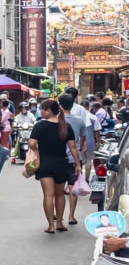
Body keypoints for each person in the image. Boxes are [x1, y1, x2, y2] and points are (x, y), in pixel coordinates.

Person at [29, 98, 82, 234]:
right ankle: (59, 223)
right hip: (61, 164)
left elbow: (32, 144)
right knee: (59, 195)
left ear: (48, 111)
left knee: (48, 195)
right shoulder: (65, 126)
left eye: (42, 109)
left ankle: (50, 226)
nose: (40, 111)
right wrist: (77, 164)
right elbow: (73, 147)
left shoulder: (39, 126)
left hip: (45, 164)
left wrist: (37, 148)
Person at [58, 94, 87, 227]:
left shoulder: (56, 120)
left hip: (58, 158)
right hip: (74, 158)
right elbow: (82, 140)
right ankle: (71, 215)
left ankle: (57, 215)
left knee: (57, 189)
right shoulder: (79, 120)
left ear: (60, 105)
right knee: (72, 188)